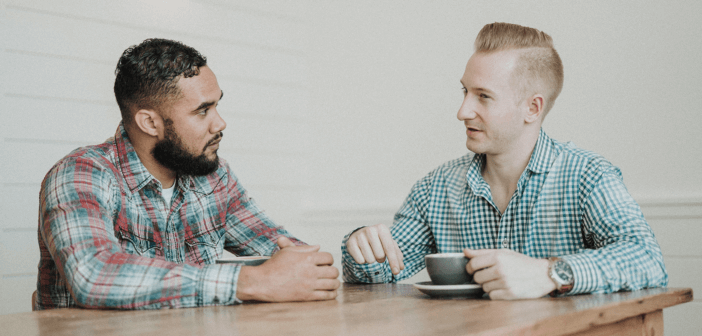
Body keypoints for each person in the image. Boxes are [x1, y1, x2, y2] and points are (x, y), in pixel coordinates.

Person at [342, 22, 668, 299]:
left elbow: (647, 259)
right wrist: (362, 248)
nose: (463, 111)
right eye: (464, 92)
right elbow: (380, 272)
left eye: (483, 96)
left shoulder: (588, 176)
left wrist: (548, 274)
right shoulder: (435, 189)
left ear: (532, 108)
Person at [36, 38, 339, 310]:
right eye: (202, 111)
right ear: (150, 123)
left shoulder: (214, 175)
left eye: (217, 105)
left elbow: (293, 259)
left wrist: (355, 252)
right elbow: (93, 276)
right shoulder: (80, 173)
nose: (220, 123)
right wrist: (248, 282)